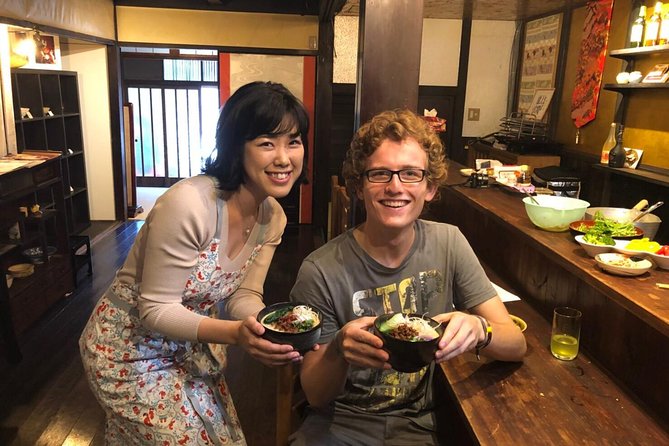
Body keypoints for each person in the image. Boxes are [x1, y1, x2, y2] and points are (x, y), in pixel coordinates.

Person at [80, 81, 309, 445]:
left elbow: (246, 292)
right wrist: (236, 335)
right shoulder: (190, 204)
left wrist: (264, 328)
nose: (283, 158)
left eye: (293, 142)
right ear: (237, 146)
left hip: (189, 348)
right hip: (130, 350)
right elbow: (155, 308)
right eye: (267, 142)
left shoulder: (273, 218)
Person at [289, 109, 527, 445]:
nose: (395, 187)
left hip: (418, 426)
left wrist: (480, 330)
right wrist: (338, 350)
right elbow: (315, 395)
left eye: (411, 174)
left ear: (430, 187)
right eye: (380, 174)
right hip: (339, 426)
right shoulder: (320, 270)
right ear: (359, 187)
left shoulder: (449, 243)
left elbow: (517, 344)